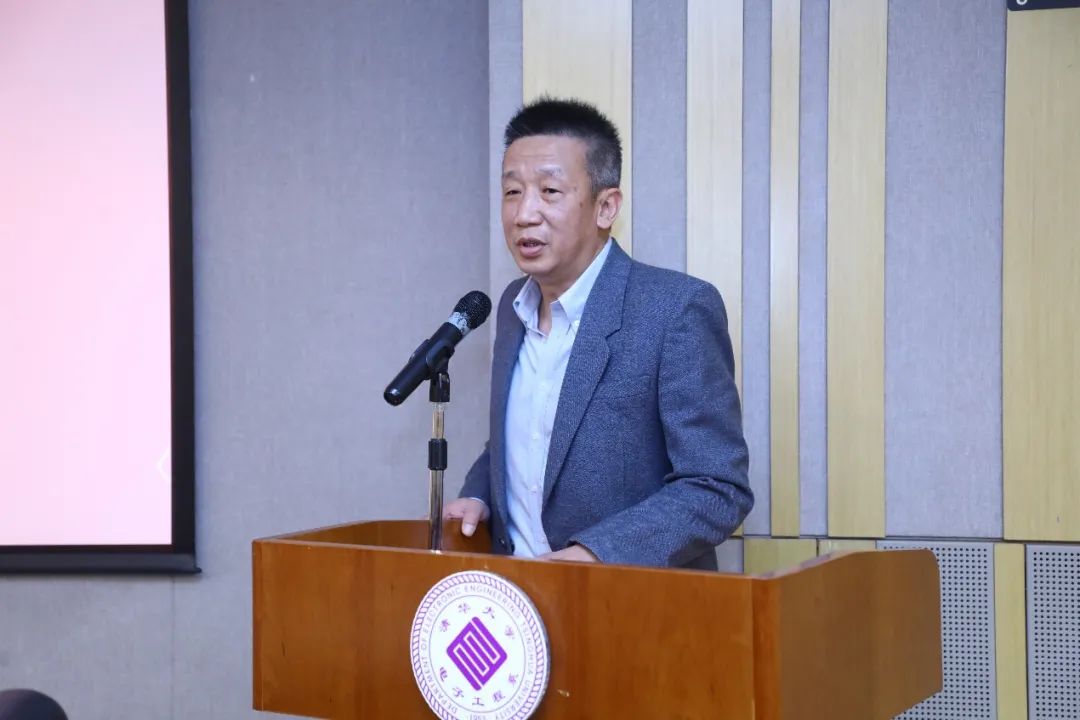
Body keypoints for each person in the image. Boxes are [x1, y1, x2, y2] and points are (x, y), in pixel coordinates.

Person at [444, 98, 752, 569]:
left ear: (606, 207)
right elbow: (524, 438)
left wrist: (594, 554)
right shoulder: (511, 306)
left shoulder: (676, 310)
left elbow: (715, 486)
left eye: (549, 191)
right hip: (515, 597)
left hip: (622, 600)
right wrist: (478, 494)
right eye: (512, 192)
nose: (524, 213)